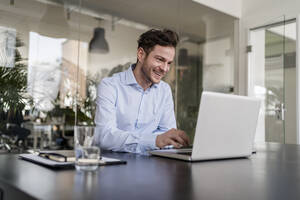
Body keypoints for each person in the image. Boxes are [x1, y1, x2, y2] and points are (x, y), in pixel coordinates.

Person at [94, 29, 190, 154]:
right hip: (114, 166)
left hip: (152, 167)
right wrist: (155, 140)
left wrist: (162, 139)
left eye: (169, 63)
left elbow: (168, 137)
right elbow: (105, 136)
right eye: (160, 60)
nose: (165, 69)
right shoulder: (110, 86)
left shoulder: (164, 90)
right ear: (141, 54)